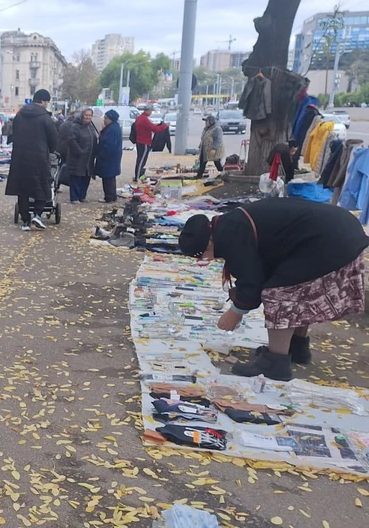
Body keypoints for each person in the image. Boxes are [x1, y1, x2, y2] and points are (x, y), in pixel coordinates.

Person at [178, 199, 369, 380]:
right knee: (297, 288)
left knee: (278, 293)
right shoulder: (229, 224)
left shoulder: (230, 235)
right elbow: (262, 268)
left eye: (202, 254)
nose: (206, 259)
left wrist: (235, 312)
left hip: (330, 240)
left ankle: (275, 362)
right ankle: (296, 348)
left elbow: (251, 280)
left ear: (209, 242)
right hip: (340, 230)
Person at [4, 89, 58, 231]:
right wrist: (51, 150)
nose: (47, 105)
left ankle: (25, 221)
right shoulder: (45, 118)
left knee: (23, 189)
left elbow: (14, 133)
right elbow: (53, 139)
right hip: (39, 157)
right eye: (47, 102)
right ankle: (38, 214)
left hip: (20, 157)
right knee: (43, 185)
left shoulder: (19, 115)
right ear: (43, 101)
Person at [66, 107, 97, 203]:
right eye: (86, 115)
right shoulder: (75, 126)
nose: (88, 117)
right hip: (78, 157)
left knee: (86, 177)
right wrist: (79, 151)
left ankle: (82, 196)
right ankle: (74, 197)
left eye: (90, 115)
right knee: (76, 177)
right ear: (82, 115)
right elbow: (72, 140)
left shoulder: (90, 126)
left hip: (89, 158)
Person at [132, 106, 169, 182]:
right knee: (141, 160)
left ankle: (140, 175)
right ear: (148, 111)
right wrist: (165, 126)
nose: (151, 112)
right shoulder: (144, 119)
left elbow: (150, 126)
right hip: (144, 142)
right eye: (151, 111)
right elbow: (155, 129)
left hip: (140, 141)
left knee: (140, 159)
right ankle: (138, 176)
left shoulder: (140, 118)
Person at [95, 110, 122, 203]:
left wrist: (101, 153)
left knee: (107, 178)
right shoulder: (114, 127)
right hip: (112, 157)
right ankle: (112, 195)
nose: (104, 120)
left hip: (108, 157)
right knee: (110, 177)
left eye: (106, 118)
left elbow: (109, 144)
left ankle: (109, 196)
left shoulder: (112, 129)